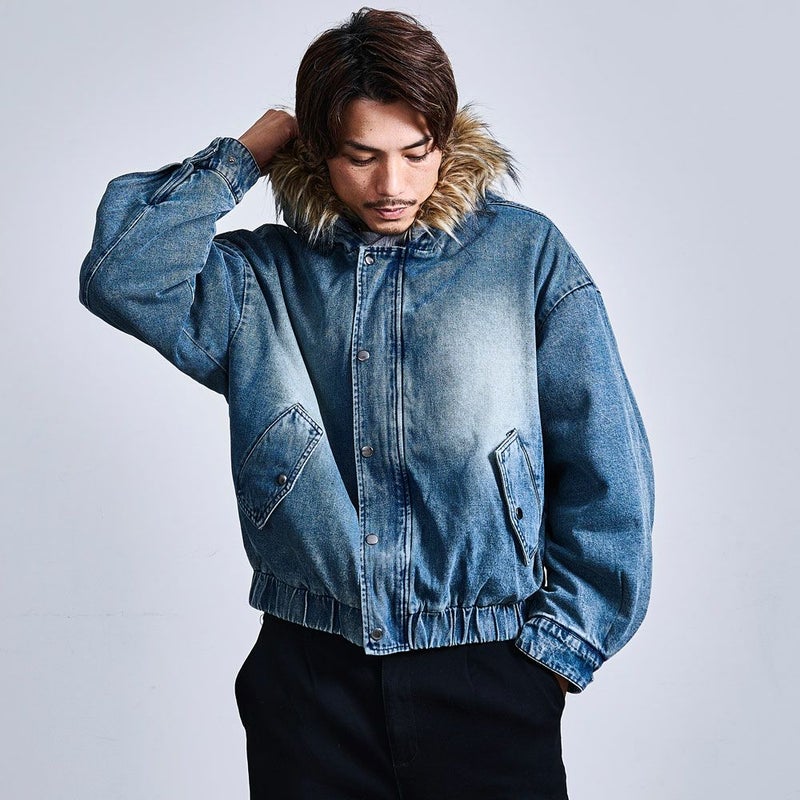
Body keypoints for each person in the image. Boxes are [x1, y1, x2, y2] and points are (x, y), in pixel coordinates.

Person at [79, 8, 654, 799]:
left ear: (446, 140)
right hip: (310, 685)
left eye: (416, 153)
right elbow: (123, 274)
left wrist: (557, 656)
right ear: (319, 149)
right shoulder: (260, 279)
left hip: (488, 674)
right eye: (361, 156)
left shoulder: (523, 254)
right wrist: (245, 154)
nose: (393, 185)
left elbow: (606, 461)